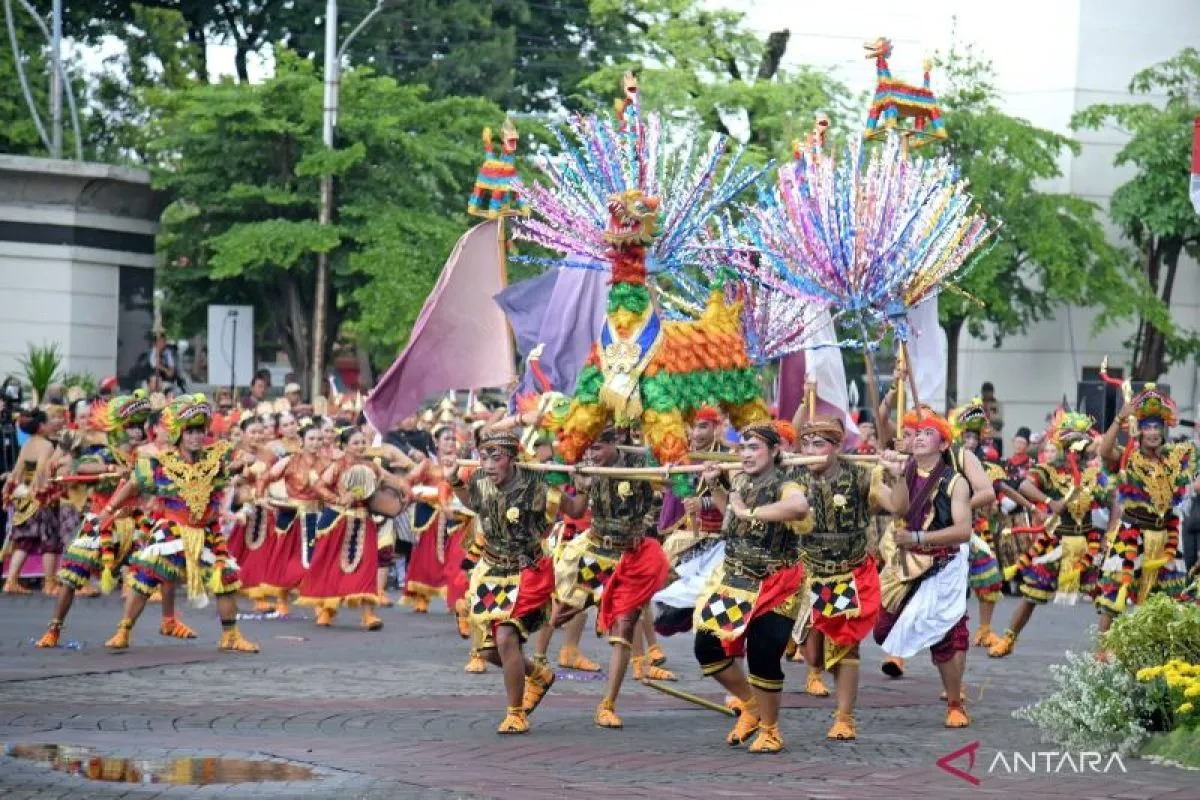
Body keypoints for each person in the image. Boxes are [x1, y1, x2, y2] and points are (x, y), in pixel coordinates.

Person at [97, 394, 258, 653]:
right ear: (179, 435)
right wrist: (108, 509)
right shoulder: (162, 463)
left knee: (225, 577)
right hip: (172, 530)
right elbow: (134, 485)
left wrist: (241, 464)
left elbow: (247, 458)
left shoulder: (214, 459)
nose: (196, 437)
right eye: (190, 432)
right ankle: (123, 631)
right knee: (145, 577)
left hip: (205, 531)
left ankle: (231, 635)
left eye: (199, 431)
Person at [692, 422, 810, 754]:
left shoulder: (789, 482)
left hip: (777, 582)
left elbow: (798, 508)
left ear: (774, 451)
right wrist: (717, 486)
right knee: (708, 648)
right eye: (742, 448)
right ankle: (750, 704)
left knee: (764, 653)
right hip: (736, 581)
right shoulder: (740, 480)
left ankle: (771, 730)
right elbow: (732, 519)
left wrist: (750, 510)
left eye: (754, 448)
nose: (746, 454)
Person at [788, 415, 907, 740]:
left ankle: (844, 717)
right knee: (813, 656)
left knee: (847, 648)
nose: (811, 449)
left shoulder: (860, 476)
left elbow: (897, 507)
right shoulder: (793, 476)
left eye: (820, 444)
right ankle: (816, 671)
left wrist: (898, 478)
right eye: (807, 443)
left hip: (848, 575)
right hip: (809, 574)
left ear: (837, 447)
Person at [554, 426, 669, 728]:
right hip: (593, 554)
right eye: (588, 448)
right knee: (557, 613)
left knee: (624, 630)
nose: (592, 454)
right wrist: (565, 490)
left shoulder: (639, 465)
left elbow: (665, 490)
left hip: (629, 559)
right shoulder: (588, 468)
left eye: (598, 448)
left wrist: (668, 471)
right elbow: (577, 511)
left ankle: (607, 704)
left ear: (615, 442)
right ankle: (538, 669)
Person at [452, 432, 557, 734]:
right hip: (492, 571)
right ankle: (538, 674)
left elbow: (565, 515)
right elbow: (473, 503)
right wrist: (456, 482)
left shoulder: (535, 485)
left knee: (507, 638)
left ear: (511, 458)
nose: (487, 465)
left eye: (495, 458)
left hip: (527, 572)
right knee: (487, 652)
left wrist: (577, 488)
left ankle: (516, 713)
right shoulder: (481, 482)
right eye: (483, 458)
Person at [874, 410, 973, 728]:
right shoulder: (907, 469)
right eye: (914, 431)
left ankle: (955, 703)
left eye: (927, 432)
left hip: (942, 565)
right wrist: (897, 475)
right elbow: (899, 508)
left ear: (944, 444)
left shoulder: (955, 482)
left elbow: (963, 532)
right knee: (881, 631)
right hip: (904, 563)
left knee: (946, 637)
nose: (917, 436)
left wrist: (918, 536)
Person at [989, 412, 1110, 658]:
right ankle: (1008, 639)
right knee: (1031, 594)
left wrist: (1112, 528)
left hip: (1087, 543)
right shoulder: (1049, 470)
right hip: (1056, 542)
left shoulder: (1093, 474)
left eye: (1082, 444)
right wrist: (1048, 502)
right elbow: (1024, 485)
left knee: (1106, 597)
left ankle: (1103, 650)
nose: (1078, 449)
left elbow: (1112, 499)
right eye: (1074, 444)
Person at [1095, 386, 1195, 634]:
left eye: (1157, 427)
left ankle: (1155, 655)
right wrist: (1119, 418)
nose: (1153, 432)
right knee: (1114, 597)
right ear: (1140, 431)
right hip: (1132, 532)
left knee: (1168, 600)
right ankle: (1100, 655)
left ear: (1163, 431)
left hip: (1166, 537)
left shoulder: (1175, 458)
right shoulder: (1129, 457)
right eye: (1148, 427)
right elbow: (1104, 451)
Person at [1, 409, 65, 593]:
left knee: (24, 541)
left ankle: (11, 580)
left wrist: (12, 490)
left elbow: (16, 472)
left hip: (23, 498)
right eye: (49, 421)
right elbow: (41, 471)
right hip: (39, 497)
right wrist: (41, 493)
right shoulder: (46, 446)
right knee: (49, 540)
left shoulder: (27, 444)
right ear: (42, 426)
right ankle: (50, 583)